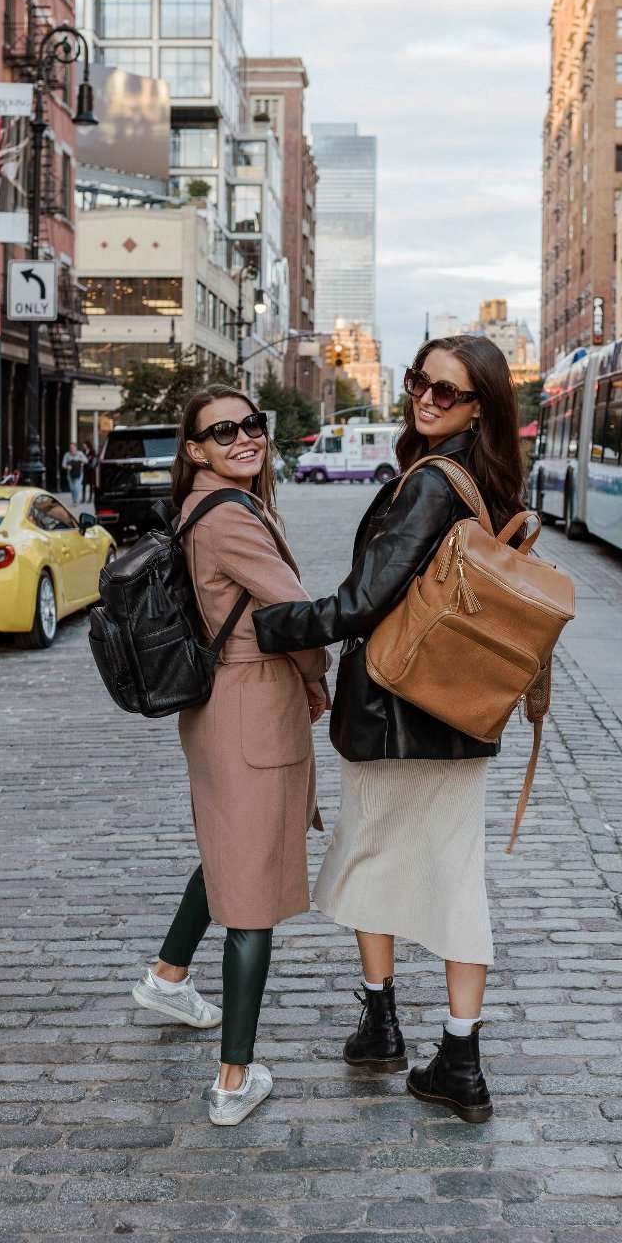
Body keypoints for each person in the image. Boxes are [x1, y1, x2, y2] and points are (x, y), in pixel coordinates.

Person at [253, 335, 526, 1124]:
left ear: (481, 406)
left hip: (393, 710)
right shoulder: (493, 480)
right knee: (455, 873)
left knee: (370, 853)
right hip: (464, 712)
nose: (428, 399)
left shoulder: (433, 483)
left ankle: (381, 1023)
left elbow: (363, 599)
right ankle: (461, 1056)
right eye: (420, 383)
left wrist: (278, 627)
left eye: (449, 392)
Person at [130, 384, 330, 1127]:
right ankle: (232, 1079)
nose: (244, 438)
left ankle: (167, 975)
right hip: (253, 706)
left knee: (227, 849)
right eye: (223, 432)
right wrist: (317, 681)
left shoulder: (201, 506)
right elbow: (295, 616)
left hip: (217, 706)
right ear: (195, 450)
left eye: (252, 425)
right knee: (251, 893)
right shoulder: (232, 519)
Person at [61, 441, 85, 506]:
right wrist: (67, 467)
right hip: (70, 474)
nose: (72, 449)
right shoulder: (67, 454)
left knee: (76, 487)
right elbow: (63, 465)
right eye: (70, 447)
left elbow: (86, 460)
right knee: (72, 488)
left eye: (73, 447)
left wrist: (81, 462)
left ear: (76, 447)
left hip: (79, 473)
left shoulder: (80, 454)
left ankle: (75, 501)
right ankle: (74, 500)